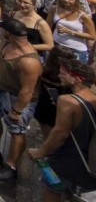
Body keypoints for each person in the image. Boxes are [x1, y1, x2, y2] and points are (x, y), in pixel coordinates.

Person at [26, 51, 96, 202]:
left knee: (52, 193)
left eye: (63, 73)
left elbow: (60, 133)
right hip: (89, 163)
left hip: (66, 160)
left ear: (77, 79)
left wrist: (40, 152)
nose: (59, 75)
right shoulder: (93, 98)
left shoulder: (68, 101)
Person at [0, 16, 43, 181]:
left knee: (17, 131)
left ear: (9, 33)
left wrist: (17, 110)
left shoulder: (29, 61)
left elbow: (27, 90)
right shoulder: (8, 44)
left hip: (16, 98)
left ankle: (11, 165)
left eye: (2, 30)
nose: (0, 32)